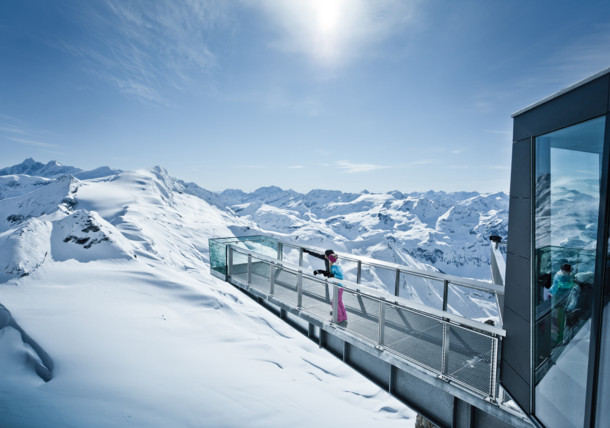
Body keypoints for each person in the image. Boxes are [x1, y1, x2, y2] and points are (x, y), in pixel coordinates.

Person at [303, 248, 347, 323]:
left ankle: (339, 318)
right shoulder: (333, 261)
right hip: (337, 285)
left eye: (326, 256)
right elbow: (329, 273)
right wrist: (308, 251)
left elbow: (336, 275)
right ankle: (343, 316)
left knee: (335, 303)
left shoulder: (335, 266)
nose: (325, 257)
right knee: (339, 301)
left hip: (336, 286)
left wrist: (327, 274)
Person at [549, 263, 576, 345]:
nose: (567, 274)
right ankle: (558, 339)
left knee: (559, 321)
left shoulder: (561, 275)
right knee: (559, 321)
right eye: (566, 272)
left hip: (559, 300)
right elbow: (565, 285)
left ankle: (558, 339)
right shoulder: (561, 277)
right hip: (559, 301)